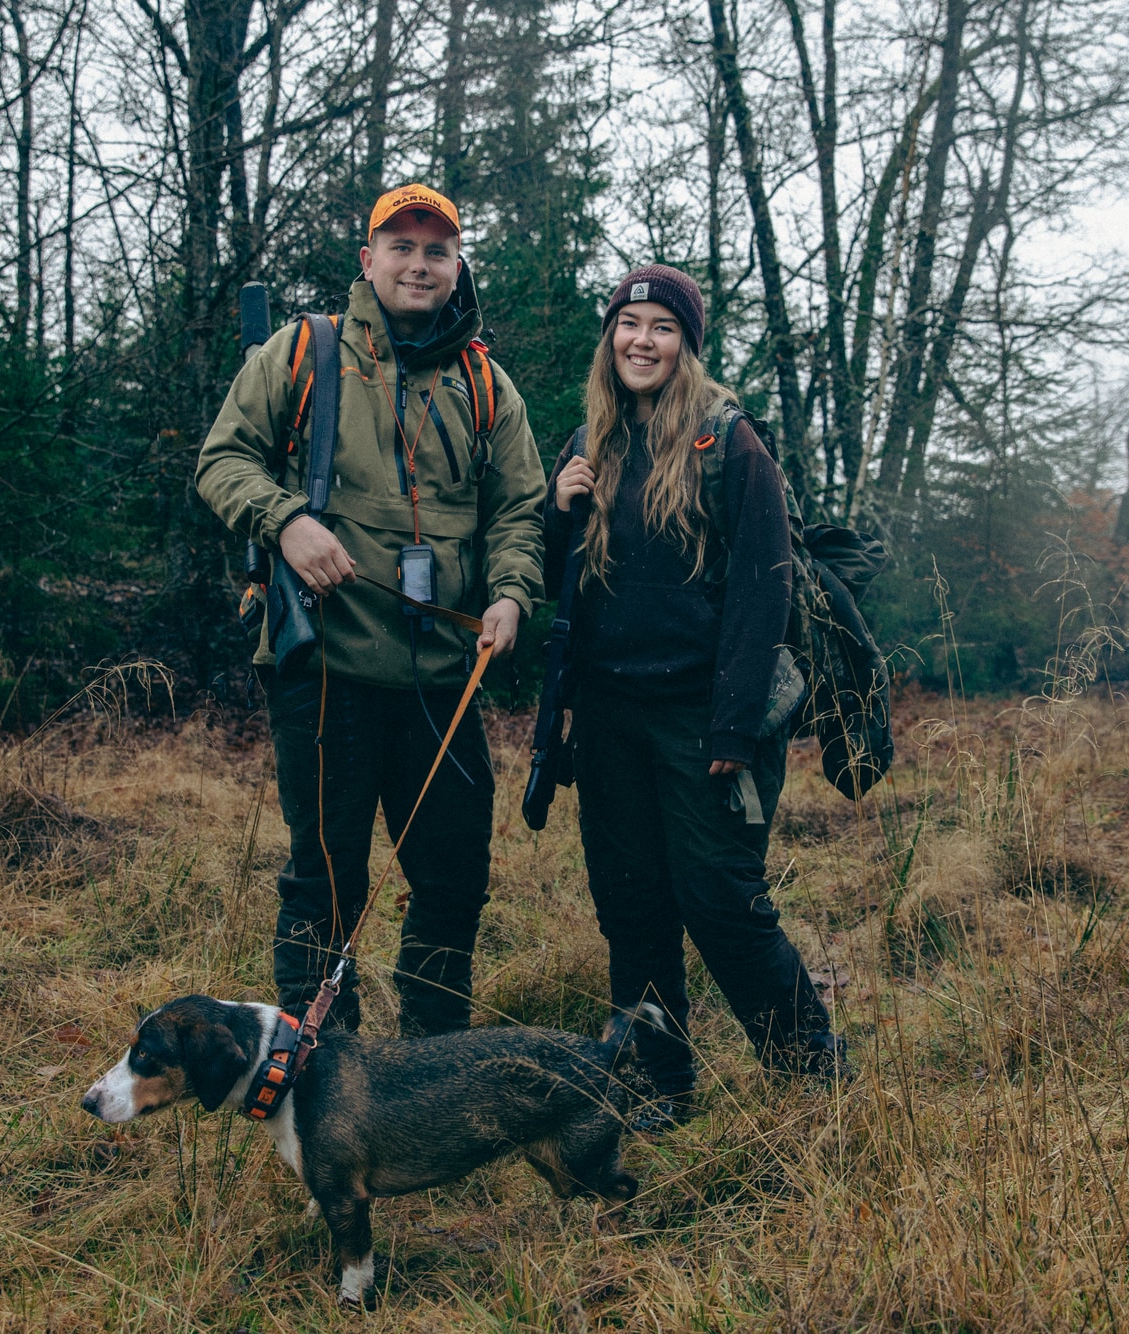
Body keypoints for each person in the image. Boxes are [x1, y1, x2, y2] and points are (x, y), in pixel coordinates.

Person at [196, 185, 545, 1037]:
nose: (419, 264)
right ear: (369, 259)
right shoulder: (301, 353)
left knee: (455, 878)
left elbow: (519, 515)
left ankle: (433, 1070)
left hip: (443, 681)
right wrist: (288, 523)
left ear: (456, 265)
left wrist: (509, 594)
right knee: (325, 884)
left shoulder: (486, 386)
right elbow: (222, 461)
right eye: (401, 245)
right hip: (326, 672)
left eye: (436, 250)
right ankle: (321, 1080)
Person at [543, 264, 845, 1122]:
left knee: (722, 901)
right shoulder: (584, 443)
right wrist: (556, 510)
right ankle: (659, 1082)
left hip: (703, 719)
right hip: (607, 719)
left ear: (688, 345)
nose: (642, 340)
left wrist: (734, 729)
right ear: (610, 337)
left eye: (662, 327)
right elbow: (557, 592)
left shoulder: (728, 443)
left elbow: (763, 595)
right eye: (628, 323)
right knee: (631, 906)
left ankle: (812, 1076)